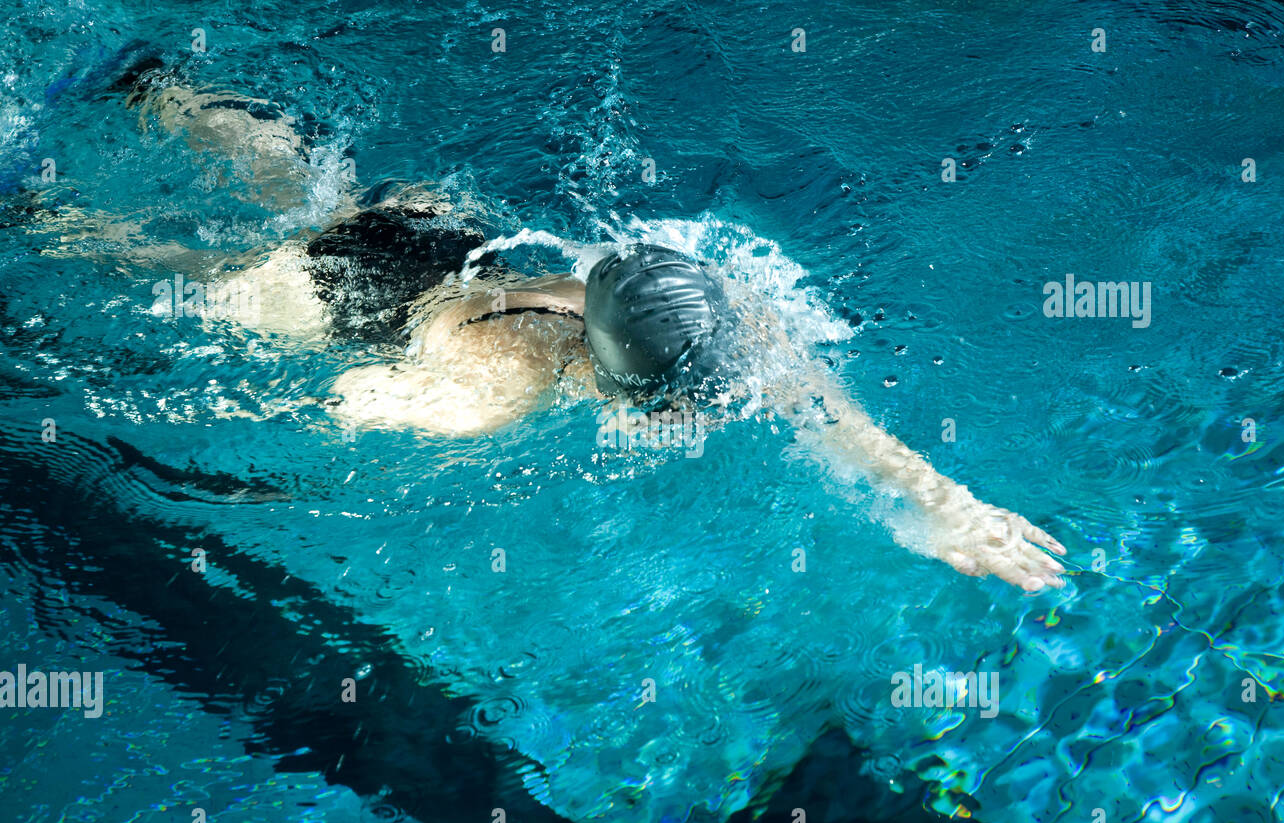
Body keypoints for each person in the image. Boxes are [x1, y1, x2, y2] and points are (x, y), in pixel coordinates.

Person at [38, 59, 1068, 593]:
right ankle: (42, 218)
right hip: (340, 300)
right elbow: (347, 402)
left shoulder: (712, 305)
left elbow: (823, 409)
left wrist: (943, 501)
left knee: (328, 196)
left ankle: (158, 90)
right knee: (178, 271)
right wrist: (387, 418)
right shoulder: (495, 393)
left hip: (443, 233)